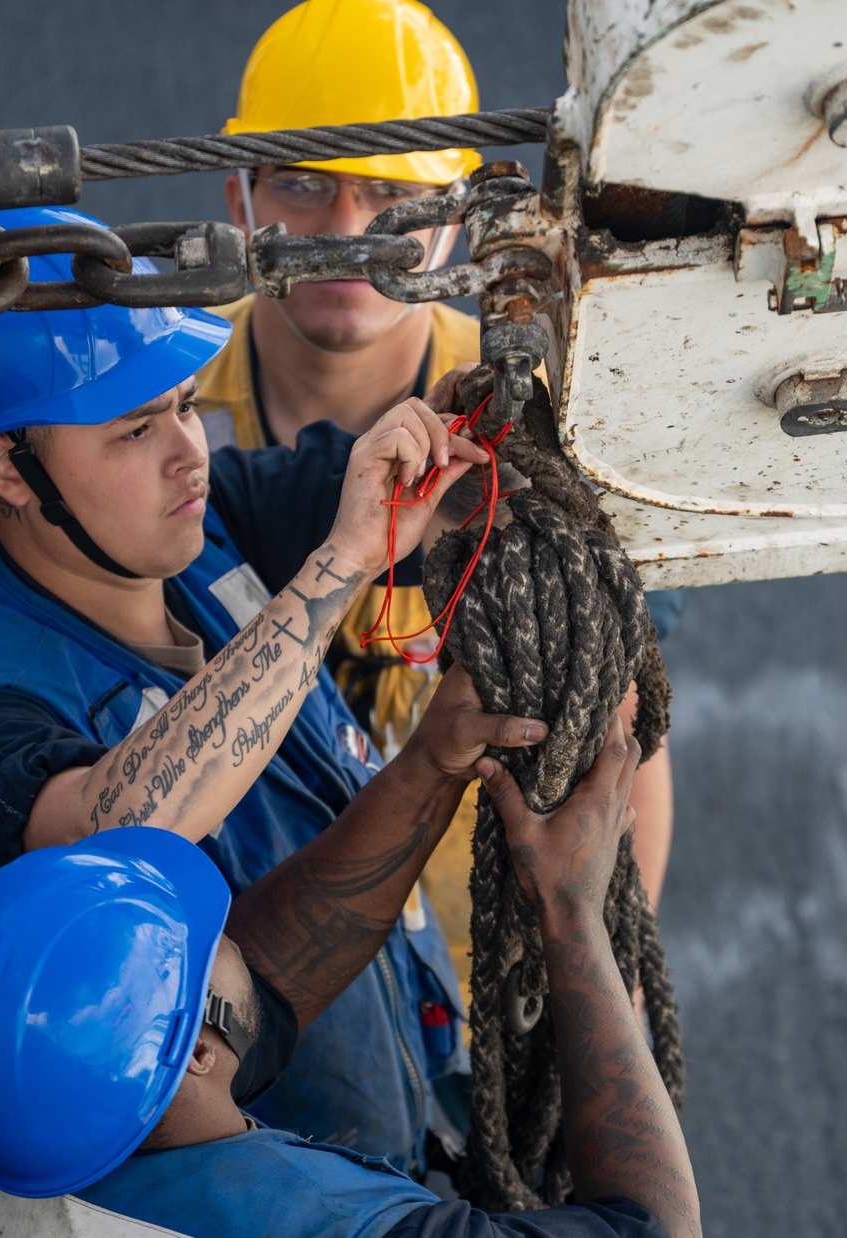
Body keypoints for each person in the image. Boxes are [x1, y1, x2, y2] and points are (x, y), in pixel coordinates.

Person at [0, 204, 546, 1174]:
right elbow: (113, 824)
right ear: (7, 470)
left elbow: (409, 488)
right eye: (136, 427)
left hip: (388, 1140)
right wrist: (339, 565)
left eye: (187, 401)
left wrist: (469, 424)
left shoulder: (184, 520)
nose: (187, 451)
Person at [197, 0, 681, 1004]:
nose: (345, 232)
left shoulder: (545, 414)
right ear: (241, 197)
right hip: (236, 970)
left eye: (390, 194)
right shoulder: (159, 416)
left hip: (472, 977)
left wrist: (597, 988)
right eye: (304, 185)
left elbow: (624, 732)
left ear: (457, 212)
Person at [0, 718, 701, 1238]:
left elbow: (266, 985)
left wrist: (430, 764)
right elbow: (653, 1225)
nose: (231, 933)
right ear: (193, 1053)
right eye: (208, 938)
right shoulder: (317, 1222)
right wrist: (571, 911)